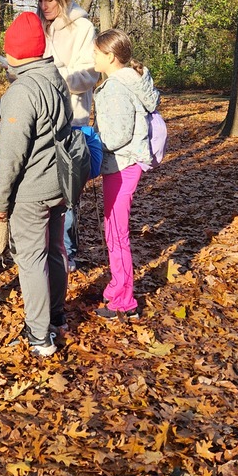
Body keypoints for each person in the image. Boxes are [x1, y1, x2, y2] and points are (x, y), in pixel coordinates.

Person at [0, 11, 71, 358]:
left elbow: (10, 156)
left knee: (31, 259)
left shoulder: (21, 91)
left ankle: (39, 336)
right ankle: (56, 316)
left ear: (17, 54)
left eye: (7, 53)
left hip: (32, 191)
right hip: (59, 185)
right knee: (55, 251)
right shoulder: (54, 78)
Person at [92, 28, 160, 321]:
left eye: (96, 52)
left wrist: (90, 140)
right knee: (114, 230)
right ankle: (118, 290)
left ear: (110, 56)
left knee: (116, 234)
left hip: (121, 164)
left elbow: (117, 135)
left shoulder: (116, 87)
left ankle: (124, 301)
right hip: (127, 164)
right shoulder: (129, 81)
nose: (91, 56)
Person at [35, 0, 98, 269]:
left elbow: (89, 74)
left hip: (73, 118)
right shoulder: (41, 25)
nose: (44, 6)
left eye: (49, 0)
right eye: (40, 1)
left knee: (68, 189)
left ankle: (67, 252)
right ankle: (46, 246)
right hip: (43, 117)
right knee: (45, 185)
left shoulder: (82, 27)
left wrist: (55, 75)